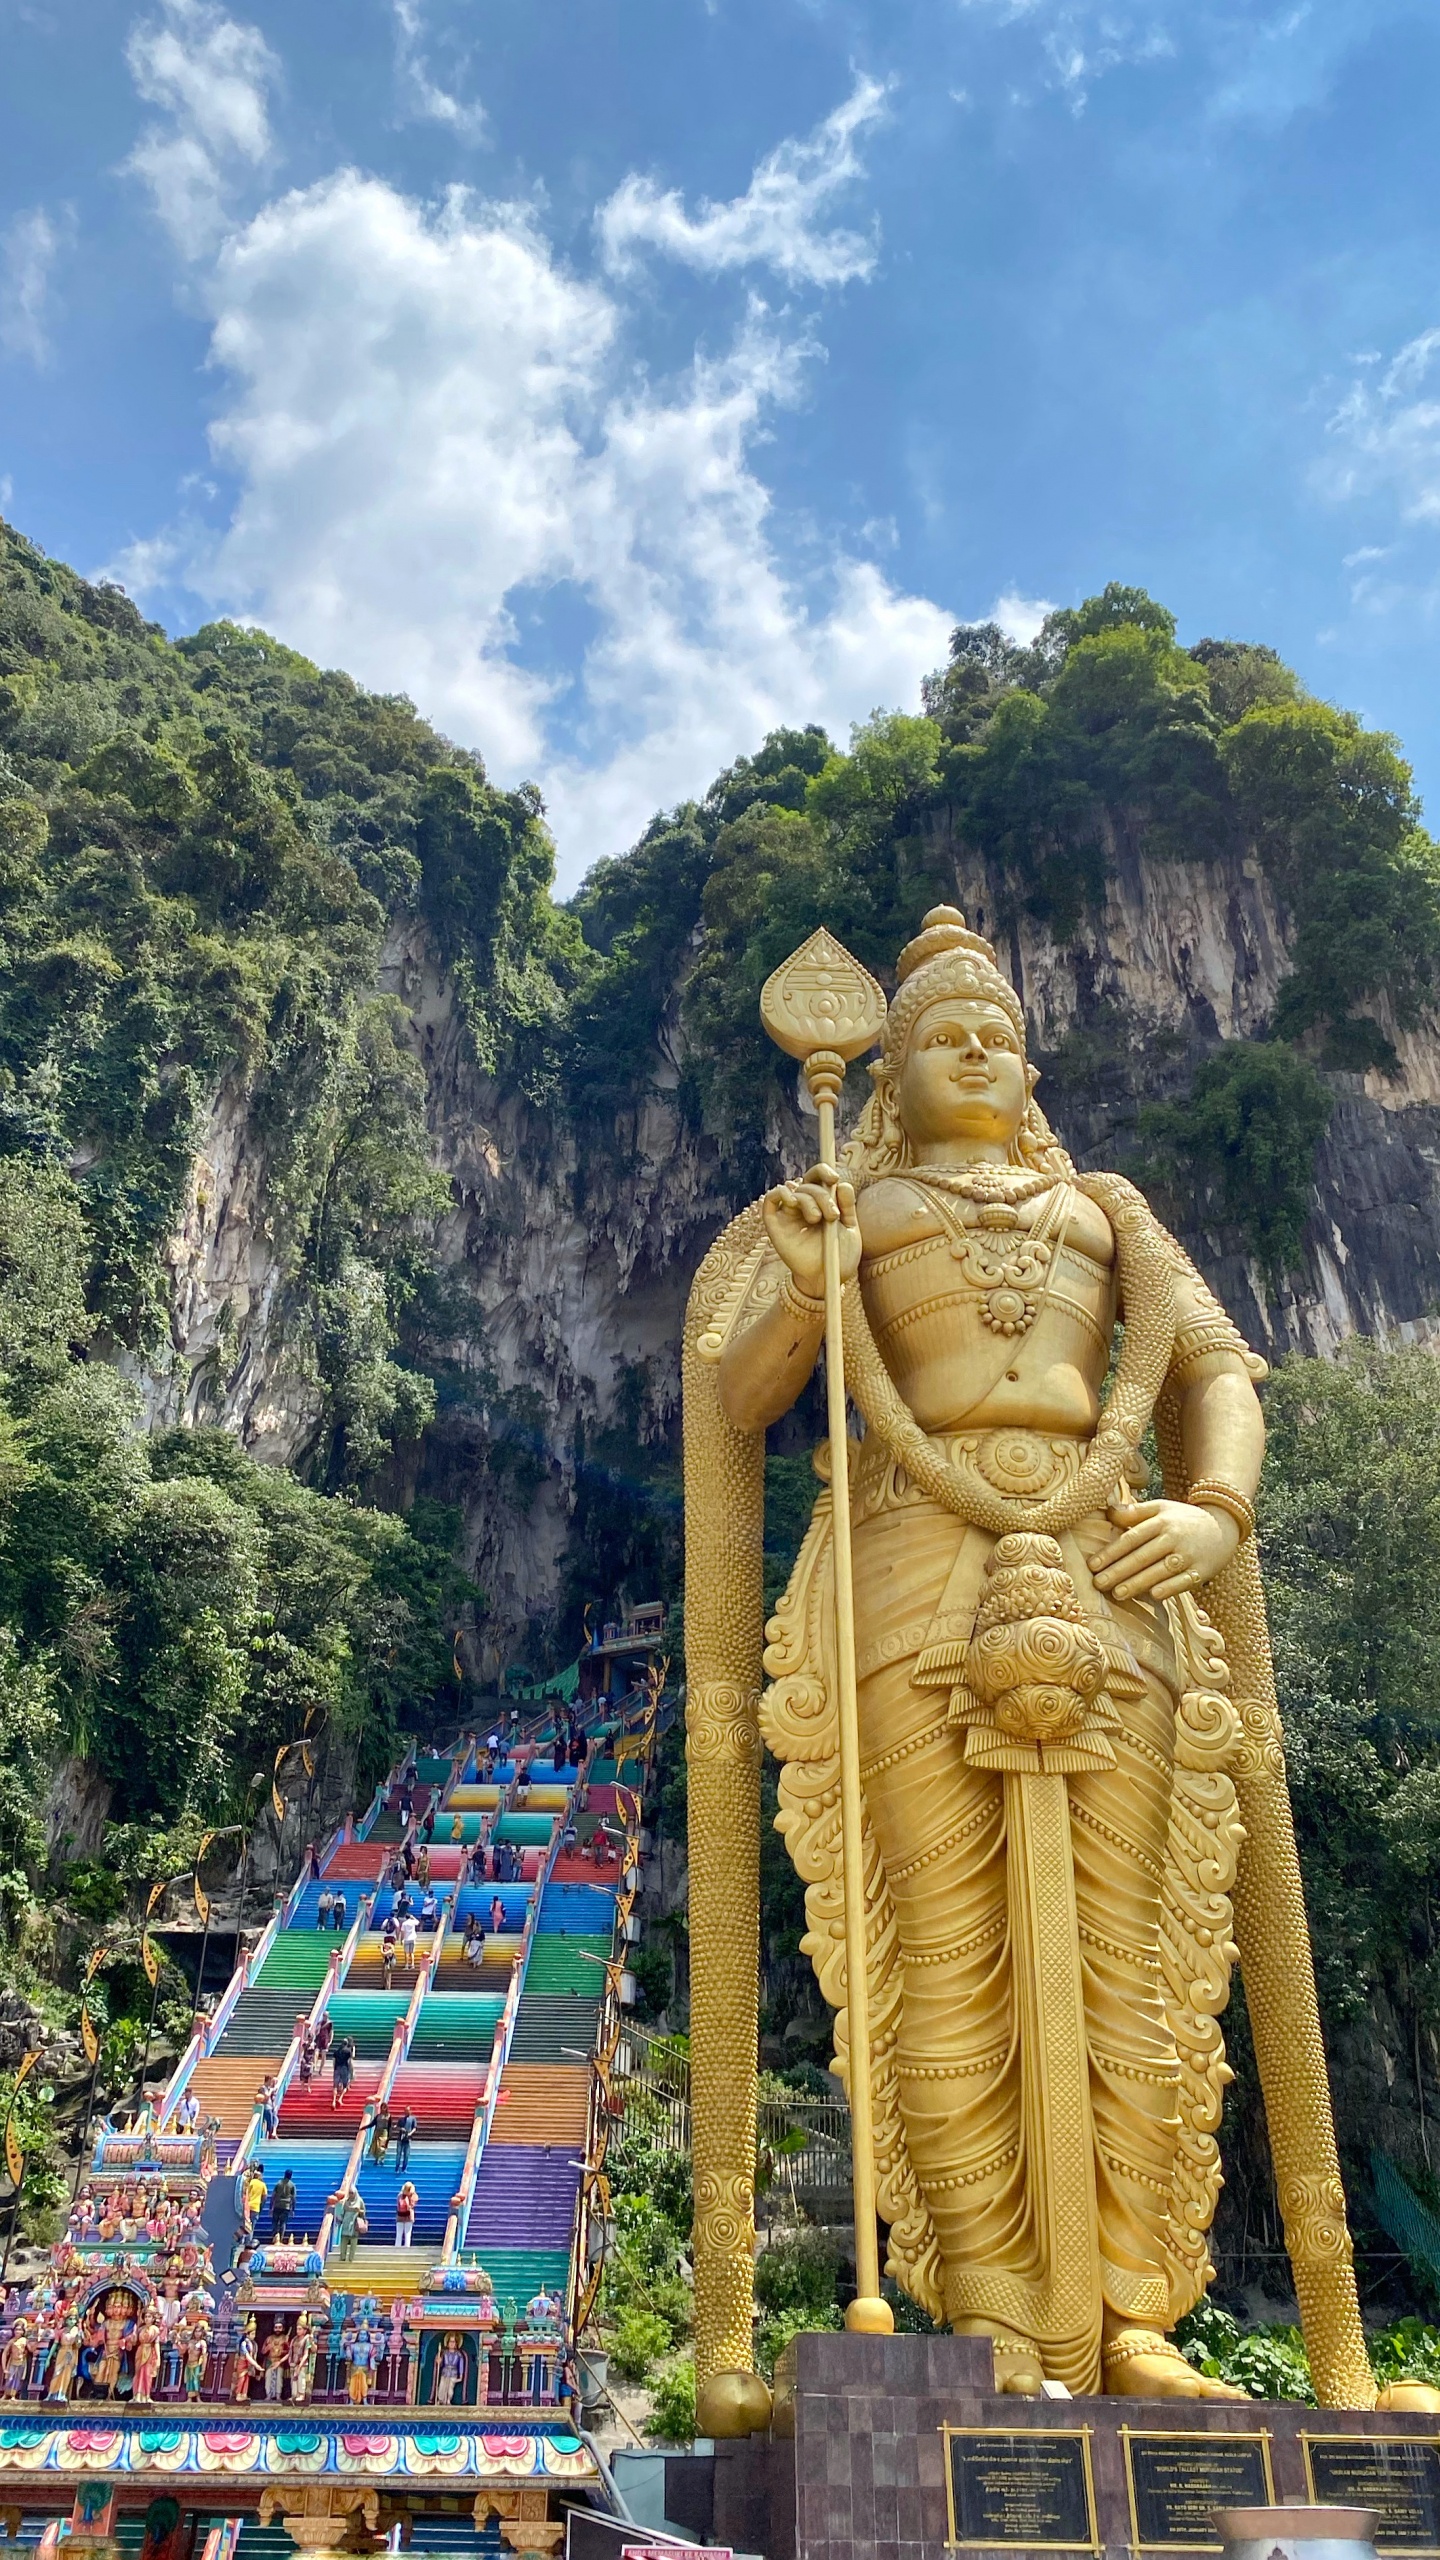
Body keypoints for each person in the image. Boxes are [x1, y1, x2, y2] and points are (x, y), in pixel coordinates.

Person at [691, 901, 1301, 2405]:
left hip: (1109, 1560)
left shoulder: (1109, 1212)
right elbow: (741, 1394)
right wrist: (809, 1280)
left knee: (1127, 1953)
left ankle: (1135, 2320)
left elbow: (1218, 1370)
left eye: (998, 1035)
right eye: (943, 1036)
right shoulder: (849, 1204)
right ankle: (996, 2321)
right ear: (890, 1072)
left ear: (1031, 1070)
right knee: (946, 1947)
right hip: (914, 1565)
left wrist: (1215, 1511)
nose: (975, 1051)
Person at [328, 2184, 367, 2263]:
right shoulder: (346, 2202)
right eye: (350, 2193)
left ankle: (351, 2258)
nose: (351, 2195)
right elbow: (341, 2212)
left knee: (353, 2242)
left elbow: (363, 2212)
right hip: (346, 2224)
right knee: (344, 2241)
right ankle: (342, 2257)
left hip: (354, 2225)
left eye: (352, 2193)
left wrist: (358, 2211)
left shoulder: (359, 2201)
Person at [271, 2167, 297, 2243]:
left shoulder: (278, 2183)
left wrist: (271, 2207)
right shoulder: (292, 2185)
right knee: (283, 2223)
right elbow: (294, 2198)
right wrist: (293, 2209)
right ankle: (280, 2238)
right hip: (286, 2206)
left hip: (277, 2205)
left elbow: (273, 2196)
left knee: (275, 2222)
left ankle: (274, 2237)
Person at [330, 2033, 356, 2111]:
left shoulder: (336, 2052)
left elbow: (333, 2062)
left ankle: (333, 2101)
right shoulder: (348, 2051)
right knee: (345, 2086)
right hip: (344, 2068)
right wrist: (353, 2048)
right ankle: (340, 2098)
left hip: (337, 2068)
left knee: (335, 2086)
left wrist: (334, 2069)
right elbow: (352, 2056)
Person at [242, 2164, 267, 2237]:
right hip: (256, 2208)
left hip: (247, 2206)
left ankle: (242, 2240)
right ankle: (248, 2242)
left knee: (244, 2225)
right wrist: (261, 2206)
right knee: (251, 2227)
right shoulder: (262, 2184)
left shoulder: (250, 2182)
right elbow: (265, 2197)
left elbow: (245, 2193)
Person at [392, 2107, 417, 2175]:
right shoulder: (401, 2119)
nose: (406, 2112)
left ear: (410, 2111)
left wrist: (410, 2133)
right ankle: (397, 2168)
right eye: (405, 2111)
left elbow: (414, 2128)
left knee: (406, 2155)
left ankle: (404, 2168)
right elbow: (397, 2126)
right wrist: (399, 2128)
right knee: (398, 2154)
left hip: (408, 2139)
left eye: (408, 2111)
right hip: (400, 2139)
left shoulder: (413, 2119)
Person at [394, 2179, 418, 2250]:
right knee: (407, 2234)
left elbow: (398, 2205)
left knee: (399, 2234)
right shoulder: (413, 2196)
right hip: (409, 2216)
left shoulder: (399, 2195)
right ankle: (407, 2249)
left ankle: (397, 2249)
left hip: (400, 2216)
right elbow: (412, 2205)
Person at [380, 1918, 398, 1988]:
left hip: (386, 1936)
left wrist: (382, 1947)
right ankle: (386, 1986)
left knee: (387, 1973)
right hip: (393, 1936)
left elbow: (382, 1927)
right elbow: (397, 1927)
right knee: (387, 1973)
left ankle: (387, 1986)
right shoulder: (395, 1920)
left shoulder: (386, 1920)